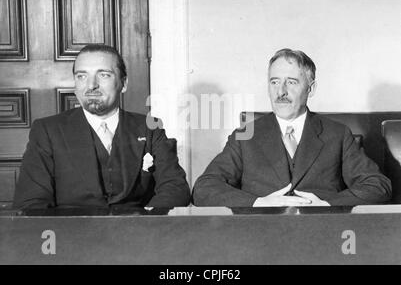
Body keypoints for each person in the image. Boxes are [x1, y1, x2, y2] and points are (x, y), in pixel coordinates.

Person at [192, 48, 392, 207]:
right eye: (274, 82)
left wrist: (328, 204)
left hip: (321, 236)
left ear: (311, 88)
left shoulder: (337, 134)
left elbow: (378, 185)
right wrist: (257, 203)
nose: (281, 92)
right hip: (260, 237)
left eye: (292, 82)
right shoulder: (245, 136)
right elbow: (203, 189)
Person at [14, 44, 190, 209]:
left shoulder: (150, 128)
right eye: (82, 76)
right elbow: (31, 202)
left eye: (103, 75)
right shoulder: (47, 131)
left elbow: (176, 188)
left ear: (124, 83)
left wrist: (146, 225)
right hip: (72, 236)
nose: (91, 85)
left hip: (136, 235)